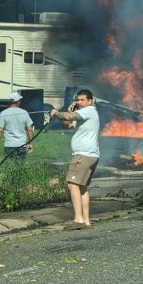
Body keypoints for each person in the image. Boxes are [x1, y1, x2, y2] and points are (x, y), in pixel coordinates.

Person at [49, 89, 100, 230]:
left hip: (82, 154)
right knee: (82, 187)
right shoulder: (83, 114)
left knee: (72, 184)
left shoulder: (89, 110)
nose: (79, 102)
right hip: (90, 154)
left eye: (82, 100)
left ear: (89, 101)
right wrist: (68, 112)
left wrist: (56, 113)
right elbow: (67, 124)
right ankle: (86, 221)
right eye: (78, 100)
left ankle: (78, 219)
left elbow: (64, 117)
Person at [0, 91, 34, 159]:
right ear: (17, 101)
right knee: (20, 167)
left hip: (9, 146)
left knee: (9, 166)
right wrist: (30, 143)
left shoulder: (4, 113)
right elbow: (30, 129)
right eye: (20, 100)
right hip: (22, 145)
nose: (20, 102)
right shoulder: (24, 113)